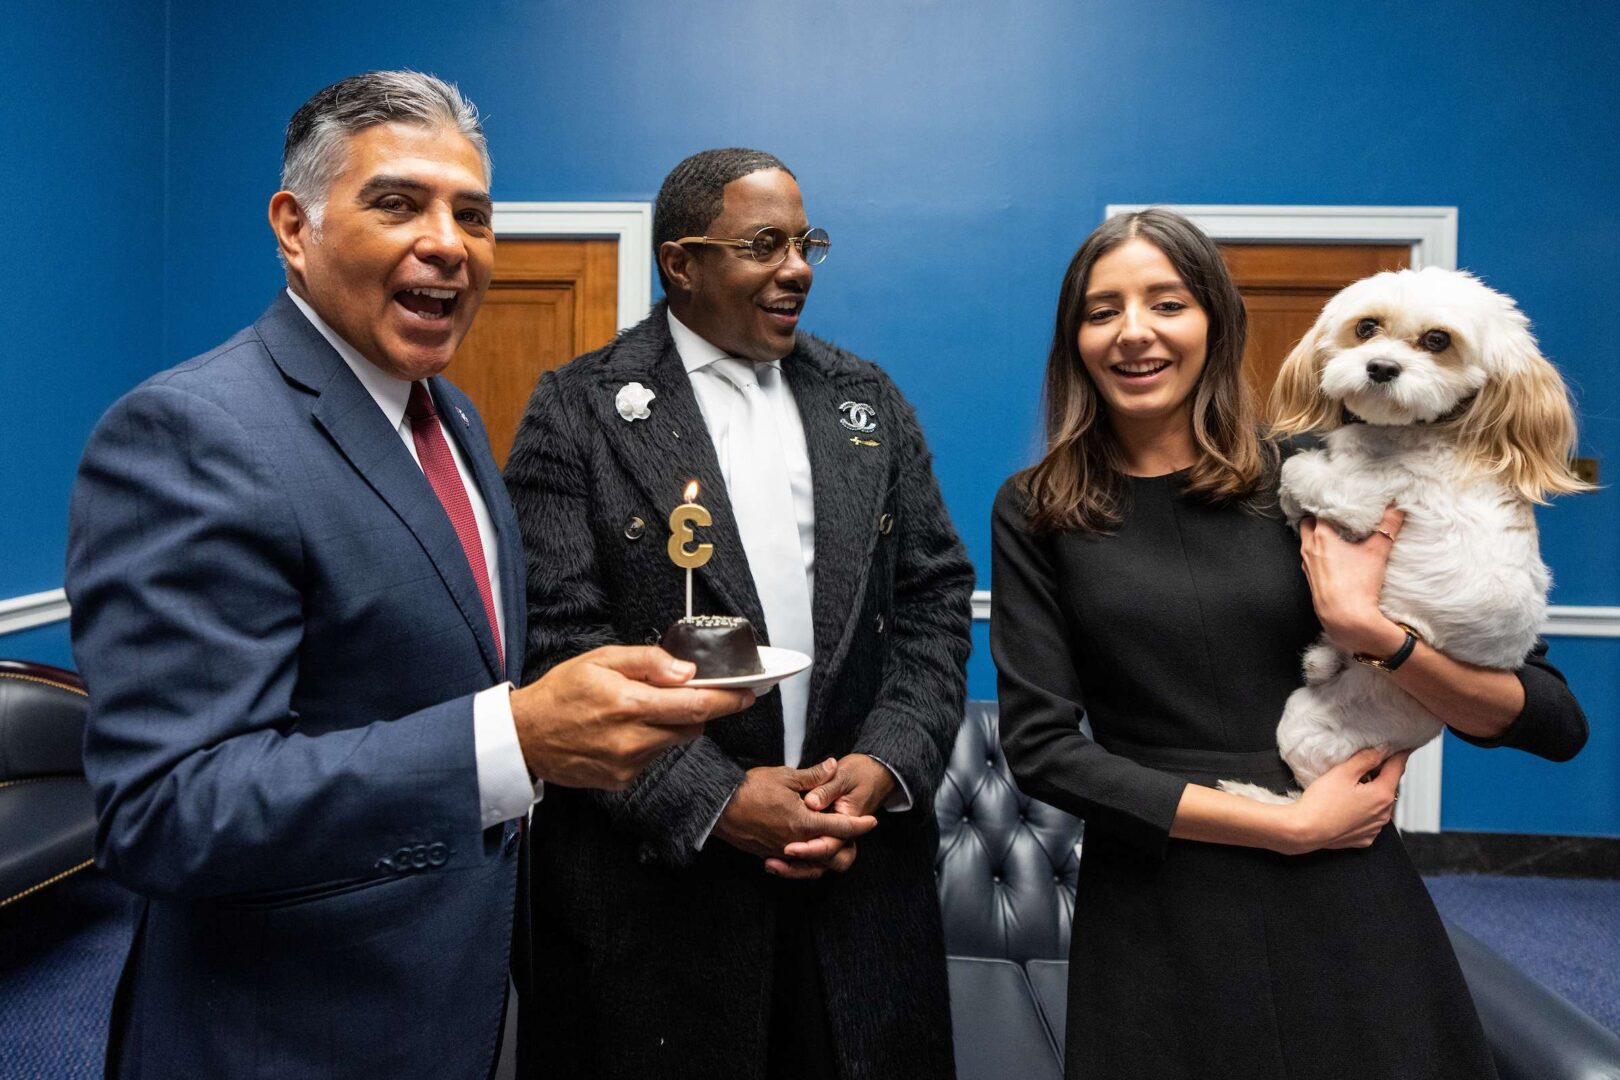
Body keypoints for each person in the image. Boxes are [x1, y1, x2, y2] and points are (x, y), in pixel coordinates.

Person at [66, 71, 751, 1079]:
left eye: (472, 214)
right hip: (285, 1036)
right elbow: (167, 811)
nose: (449, 242)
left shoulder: (456, 418)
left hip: (457, 999)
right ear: (295, 226)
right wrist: (514, 737)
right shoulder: (190, 433)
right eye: (398, 202)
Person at [990, 208, 1589, 1079]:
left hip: (1344, 882)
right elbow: (1042, 752)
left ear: (1216, 323)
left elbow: (1552, 720)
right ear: (1073, 339)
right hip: (1161, 892)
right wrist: (1287, 827)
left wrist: (1372, 636)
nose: (1134, 333)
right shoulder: (1036, 506)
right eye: (1101, 310)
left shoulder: (1323, 470)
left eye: (1168, 303)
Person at [504, 148, 974, 1079]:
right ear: (682, 263)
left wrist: (883, 764)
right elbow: (560, 644)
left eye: (808, 244)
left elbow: (934, 599)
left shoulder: (866, 401)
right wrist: (717, 800)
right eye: (765, 244)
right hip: (656, 901)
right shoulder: (576, 411)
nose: (797, 267)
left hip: (856, 881)